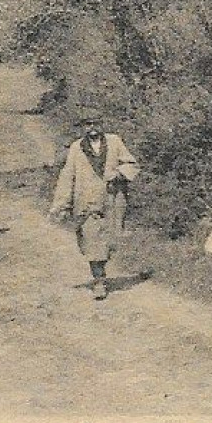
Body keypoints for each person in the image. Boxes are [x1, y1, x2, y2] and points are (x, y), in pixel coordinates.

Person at [49, 114, 140, 300]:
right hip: (86, 203)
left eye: (95, 124)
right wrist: (61, 204)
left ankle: (102, 269)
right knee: (91, 241)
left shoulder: (114, 142)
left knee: (109, 239)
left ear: (102, 124)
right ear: (83, 127)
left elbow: (131, 163)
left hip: (112, 200)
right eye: (87, 124)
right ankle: (99, 280)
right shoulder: (76, 148)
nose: (92, 127)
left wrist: (119, 174)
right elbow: (68, 176)